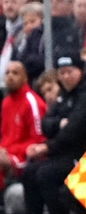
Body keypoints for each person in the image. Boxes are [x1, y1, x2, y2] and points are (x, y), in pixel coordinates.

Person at [12, 53, 86, 214]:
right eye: (62, 72)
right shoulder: (63, 96)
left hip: (83, 157)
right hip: (62, 154)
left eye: (70, 72)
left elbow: (75, 130)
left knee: (47, 174)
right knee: (30, 172)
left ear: (80, 71)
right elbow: (46, 123)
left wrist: (48, 146)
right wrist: (60, 123)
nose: (66, 76)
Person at [0, 61, 46, 191]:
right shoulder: (6, 102)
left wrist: (9, 152)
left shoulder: (32, 102)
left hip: (25, 158)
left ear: (25, 78)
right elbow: (5, 135)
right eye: (7, 73)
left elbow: (38, 141)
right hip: (7, 153)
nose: (10, 76)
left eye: (15, 73)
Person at [13, 2, 45, 83]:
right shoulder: (19, 40)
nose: (29, 26)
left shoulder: (45, 38)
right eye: (25, 23)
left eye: (32, 21)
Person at [0, 0, 23, 76]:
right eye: (6, 2)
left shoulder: (27, 29)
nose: (9, 6)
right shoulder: (2, 27)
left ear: (22, 3)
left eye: (13, 2)